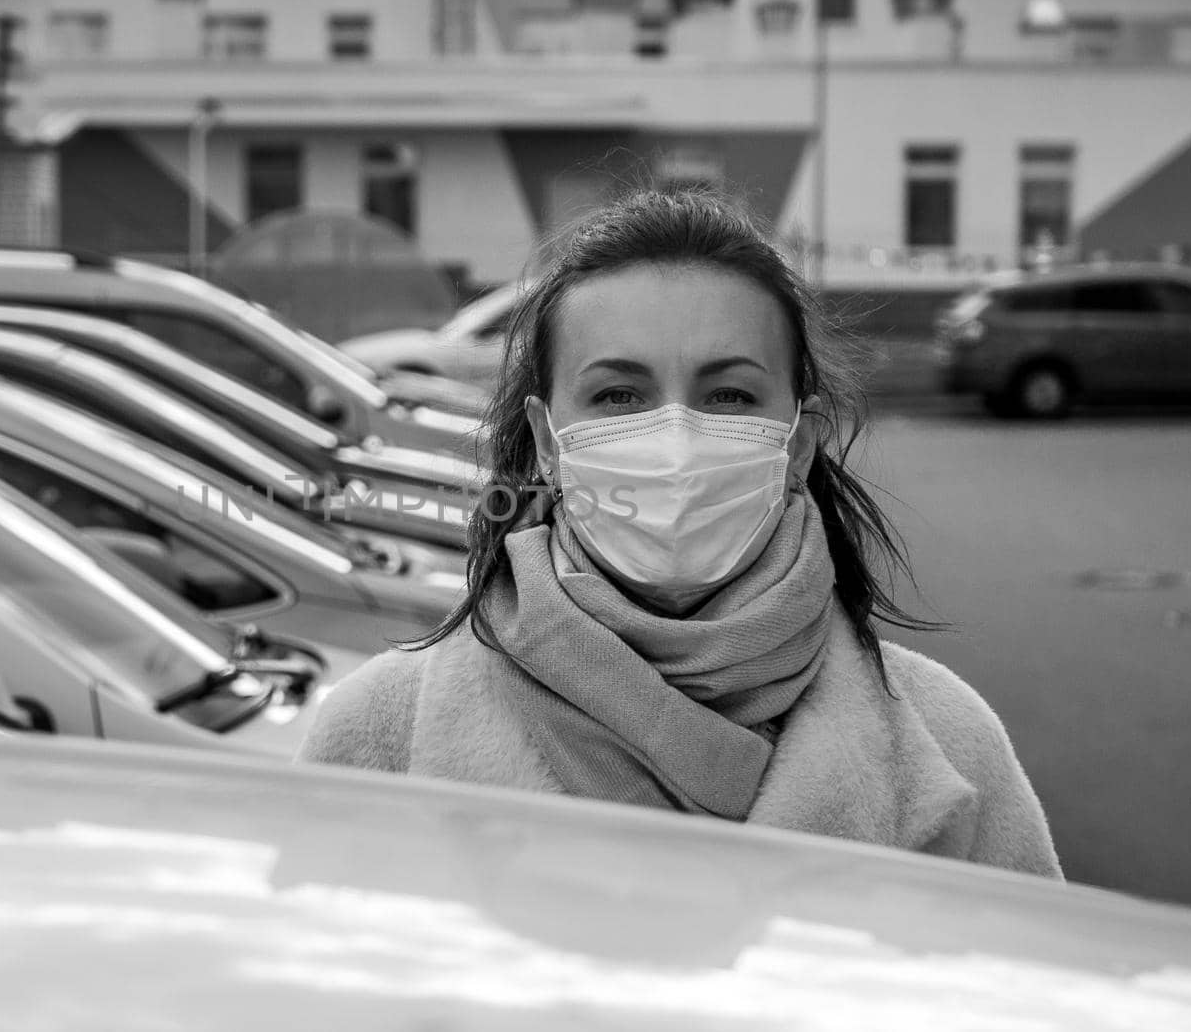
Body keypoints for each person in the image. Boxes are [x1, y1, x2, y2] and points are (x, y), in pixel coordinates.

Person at [297, 190, 1061, 879]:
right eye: (618, 394)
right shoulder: (377, 735)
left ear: (797, 441)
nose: (675, 438)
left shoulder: (951, 744)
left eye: (728, 393)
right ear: (550, 441)